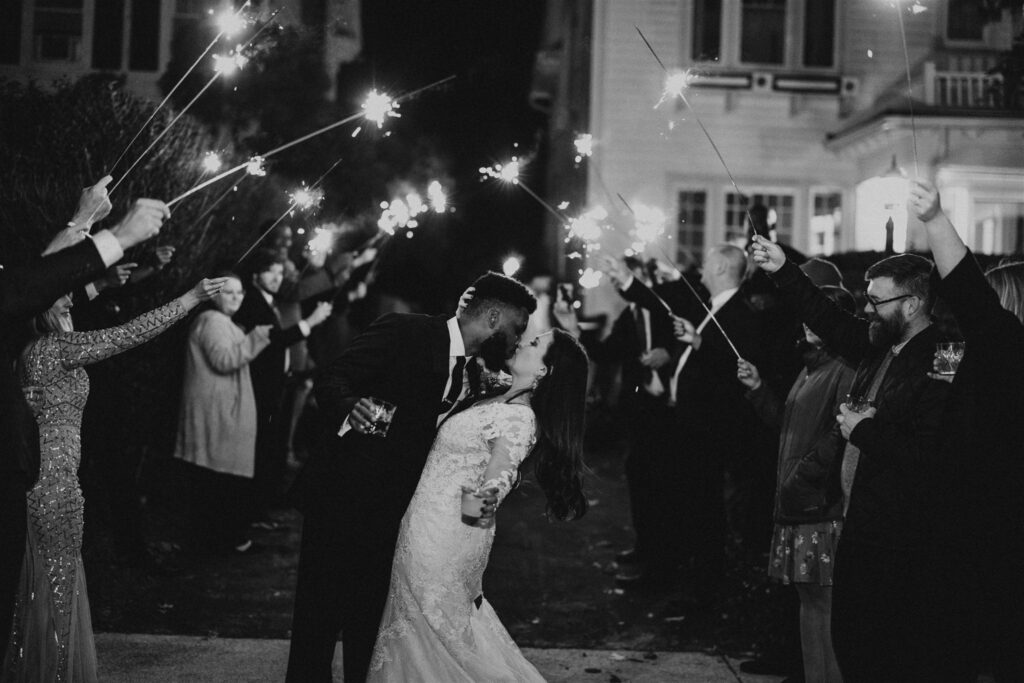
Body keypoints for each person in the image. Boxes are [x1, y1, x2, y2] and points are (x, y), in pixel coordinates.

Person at [285, 271, 537, 683]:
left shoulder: (485, 384)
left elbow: (491, 476)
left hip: (403, 522)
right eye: (516, 328)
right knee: (318, 619)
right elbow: (333, 378)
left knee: (370, 626)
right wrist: (351, 406)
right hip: (342, 501)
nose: (516, 340)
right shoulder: (406, 331)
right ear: (492, 317)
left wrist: (470, 541)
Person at [1, 275, 226, 682]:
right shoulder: (55, 348)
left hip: (46, 481)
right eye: (60, 293)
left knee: (41, 588)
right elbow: (129, 334)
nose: (69, 297)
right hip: (55, 486)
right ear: (39, 306)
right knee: (57, 587)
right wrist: (190, 298)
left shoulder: (28, 351)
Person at [750, 235, 950, 682]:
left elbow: (932, 451)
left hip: (900, 533)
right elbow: (826, 317)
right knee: (851, 638)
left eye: (877, 301)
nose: (867, 309)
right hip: (859, 518)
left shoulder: (942, 356)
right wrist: (784, 269)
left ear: (914, 304)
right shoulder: (881, 340)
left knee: (883, 650)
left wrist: (865, 431)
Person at [0, 177, 168, 659]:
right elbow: (23, 293)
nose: (74, 298)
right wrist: (112, 235)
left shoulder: (43, 334)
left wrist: (87, 225)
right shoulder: (49, 347)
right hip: (42, 481)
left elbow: (32, 292)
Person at [368, 328, 589, 681]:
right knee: (421, 629)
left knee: (432, 630)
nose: (524, 341)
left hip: (442, 535)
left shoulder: (519, 417)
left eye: (535, 344)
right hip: (423, 523)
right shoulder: (500, 396)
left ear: (545, 371)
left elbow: (498, 477)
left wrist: (463, 529)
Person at [909, 179, 1024, 682]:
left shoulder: (1006, 347)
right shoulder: (988, 355)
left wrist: (935, 220)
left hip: (988, 530)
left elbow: (968, 291)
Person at [607, 245, 768, 601]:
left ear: (723, 266)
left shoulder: (740, 313)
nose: (702, 271)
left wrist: (698, 341)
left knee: (704, 512)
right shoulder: (714, 308)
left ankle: (702, 592)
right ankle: (680, 579)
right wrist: (692, 339)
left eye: (709, 263)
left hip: (708, 430)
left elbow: (733, 369)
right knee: (685, 507)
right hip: (686, 424)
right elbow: (670, 307)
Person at [736, 285, 857, 683]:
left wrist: (801, 478)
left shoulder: (846, 369)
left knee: (825, 604)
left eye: (816, 317)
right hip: (795, 501)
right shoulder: (811, 365)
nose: (806, 324)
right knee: (808, 601)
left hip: (819, 505)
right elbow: (785, 426)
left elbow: (840, 437)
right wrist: (757, 390)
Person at [584, 256, 680, 588]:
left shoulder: (668, 306)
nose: (617, 284)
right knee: (638, 476)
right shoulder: (629, 315)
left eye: (621, 278)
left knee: (664, 485)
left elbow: (692, 341)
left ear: (641, 276)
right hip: (641, 408)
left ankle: (664, 562)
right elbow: (606, 352)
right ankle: (646, 547)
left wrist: (669, 352)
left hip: (671, 410)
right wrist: (571, 328)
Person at [173, 272, 273, 554]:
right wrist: (256, 338)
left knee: (218, 483)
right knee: (215, 484)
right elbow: (224, 360)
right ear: (214, 294)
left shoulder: (222, 322)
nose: (236, 298)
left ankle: (221, 540)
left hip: (219, 414)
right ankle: (217, 542)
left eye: (240, 292)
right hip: (213, 416)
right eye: (229, 292)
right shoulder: (211, 321)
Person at [233, 249, 332, 528]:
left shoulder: (269, 300)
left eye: (280, 273)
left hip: (276, 383)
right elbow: (273, 340)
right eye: (270, 272)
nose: (277, 278)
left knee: (269, 448)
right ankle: (250, 514)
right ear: (255, 276)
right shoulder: (252, 301)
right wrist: (309, 323)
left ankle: (259, 509)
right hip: (261, 385)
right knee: (260, 449)